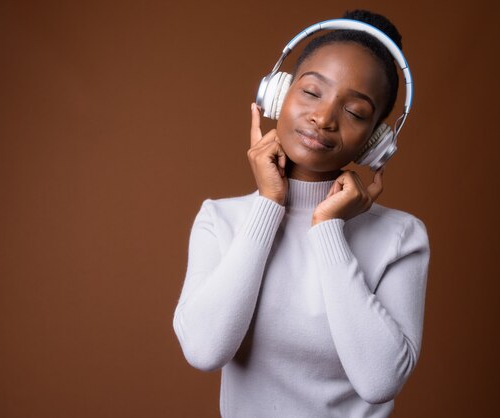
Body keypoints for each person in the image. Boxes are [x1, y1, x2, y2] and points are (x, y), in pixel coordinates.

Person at [173, 9, 430, 418]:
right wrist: (269, 204)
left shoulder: (401, 237)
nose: (324, 118)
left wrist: (327, 228)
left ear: (377, 141)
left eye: (356, 112)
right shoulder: (219, 221)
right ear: (278, 94)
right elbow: (205, 351)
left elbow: (380, 381)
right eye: (312, 92)